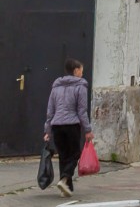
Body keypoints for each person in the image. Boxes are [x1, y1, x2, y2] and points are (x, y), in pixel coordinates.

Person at [43, 59, 93, 197]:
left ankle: (66, 189)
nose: (82, 74)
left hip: (57, 126)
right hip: (72, 125)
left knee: (64, 156)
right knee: (75, 153)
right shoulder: (81, 86)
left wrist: (47, 130)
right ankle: (64, 178)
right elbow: (82, 111)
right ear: (76, 70)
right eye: (81, 71)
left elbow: (50, 110)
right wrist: (87, 130)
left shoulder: (56, 86)